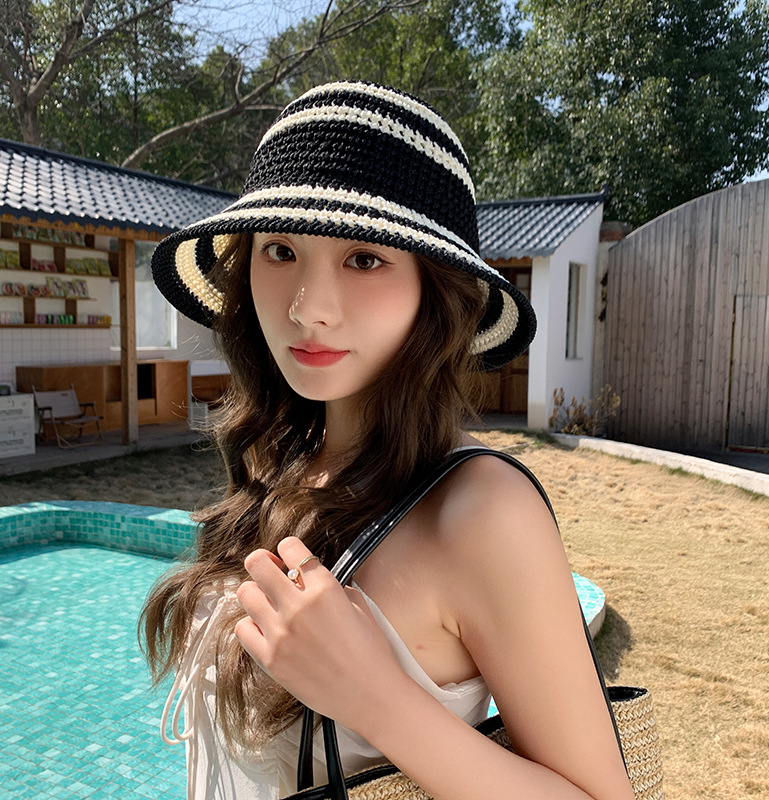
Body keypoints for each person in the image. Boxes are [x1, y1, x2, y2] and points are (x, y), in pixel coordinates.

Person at [141, 80, 634, 800]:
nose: (308, 308)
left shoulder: (481, 510)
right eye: (279, 249)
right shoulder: (288, 462)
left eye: (365, 258)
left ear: (436, 290)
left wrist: (376, 698)